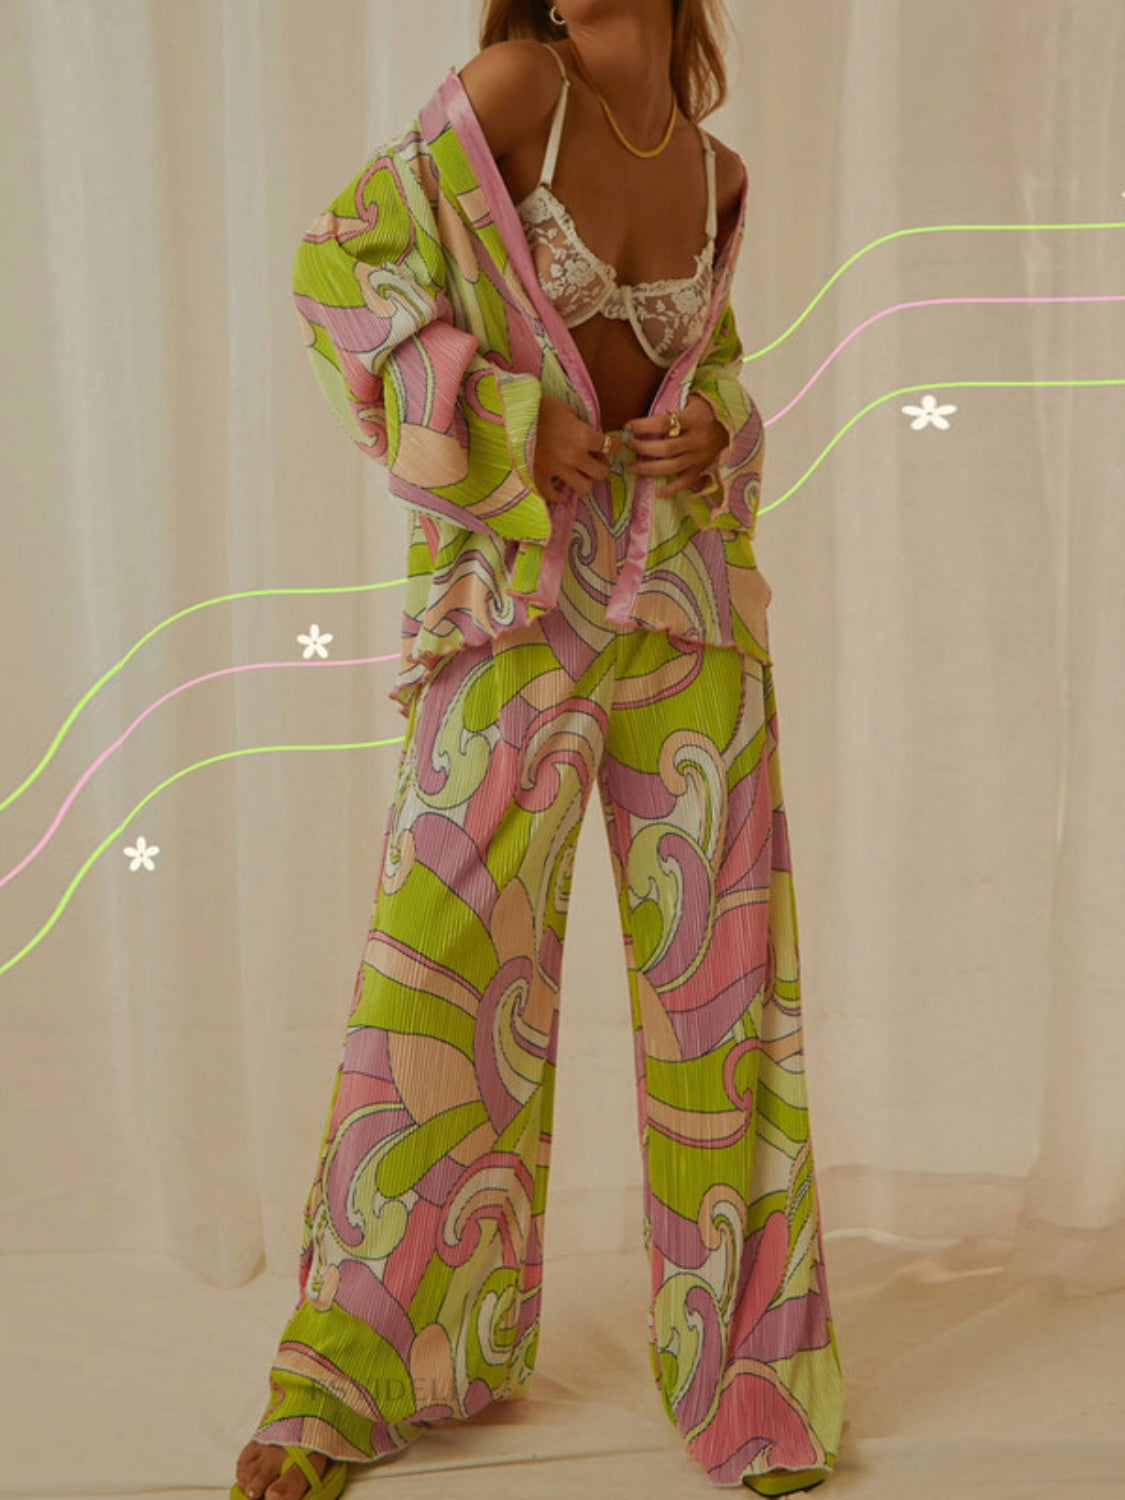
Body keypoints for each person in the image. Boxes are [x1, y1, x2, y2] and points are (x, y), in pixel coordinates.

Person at [232, 3, 844, 1498]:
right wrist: (506, 421)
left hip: (689, 610)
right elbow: (339, 270)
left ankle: (751, 1380)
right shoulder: (519, 89)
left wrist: (713, 425)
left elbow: (714, 366)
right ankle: (349, 1379)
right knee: (438, 978)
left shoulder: (715, 171)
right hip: (517, 605)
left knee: (727, 1007)